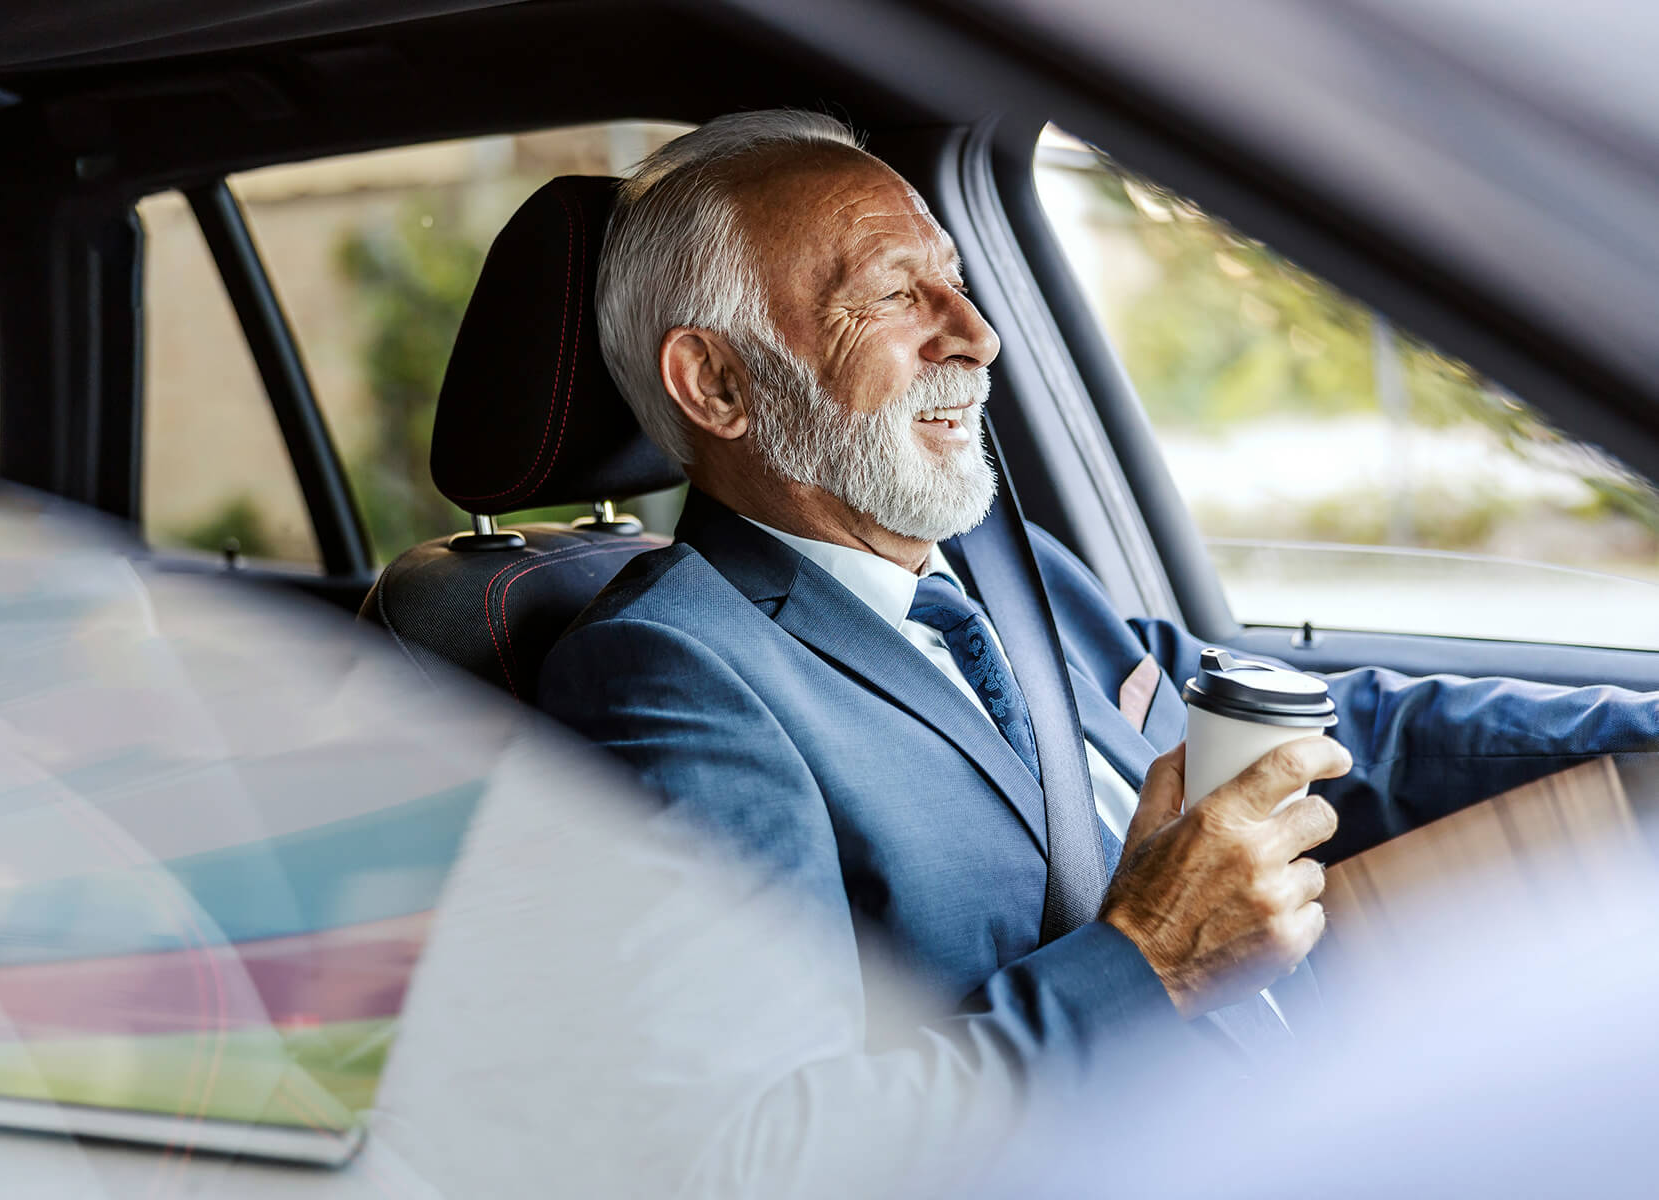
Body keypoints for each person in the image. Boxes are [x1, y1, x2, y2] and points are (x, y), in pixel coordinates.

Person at [536, 109, 1659, 1068]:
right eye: (893, 294)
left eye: (957, 283)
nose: (976, 337)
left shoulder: (1010, 575)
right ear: (718, 383)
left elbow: (1300, 733)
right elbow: (762, 1150)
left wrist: (1640, 737)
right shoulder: (667, 678)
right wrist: (1147, 966)